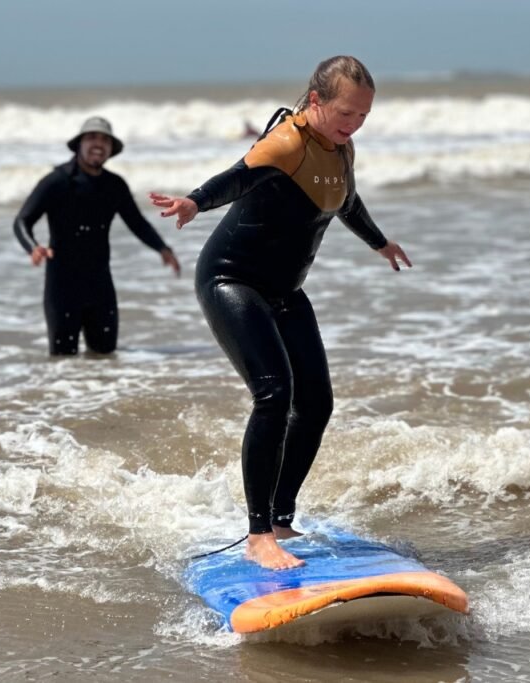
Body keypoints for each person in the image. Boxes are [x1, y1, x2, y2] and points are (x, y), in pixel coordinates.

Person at [150, 56, 411, 569]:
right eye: (345, 113)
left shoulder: (340, 148)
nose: (354, 124)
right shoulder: (286, 143)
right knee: (274, 395)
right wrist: (194, 203)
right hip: (233, 281)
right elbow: (236, 179)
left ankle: (280, 518)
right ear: (315, 101)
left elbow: (346, 202)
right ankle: (257, 536)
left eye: (362, 116)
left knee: (316, 404)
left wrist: (380, 243)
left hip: (285, 291)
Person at [14, 116, 180, 355]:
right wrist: (33, 248)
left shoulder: (114, 185)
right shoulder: (56, 182)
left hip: (100, 286)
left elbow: (136, 222)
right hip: (62, 287)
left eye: (105, 140)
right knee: (63, 362)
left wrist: (163, 249)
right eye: (91, 137)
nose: (98, 144)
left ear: (111, 149)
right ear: (79, 144)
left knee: (105, 358)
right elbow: (22, 220)